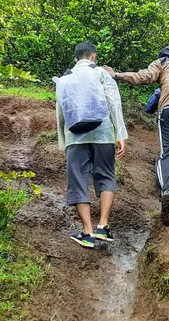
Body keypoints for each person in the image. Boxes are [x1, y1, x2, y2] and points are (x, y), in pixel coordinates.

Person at [104, 45, 169, 226]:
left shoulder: (161, 63)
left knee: (167, 153)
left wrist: (117, 75)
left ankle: (166, 191)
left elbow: (143, 77)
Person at [55, 42, 128, 248]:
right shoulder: (103, 74)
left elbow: (61, 111)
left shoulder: (65, 78)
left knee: (78, 180)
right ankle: (103, 227)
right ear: (94, 57)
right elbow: (114, 102)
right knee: (105, 175)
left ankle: (86, 232)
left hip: (75, 137)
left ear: (76, 59)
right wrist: (120, 134)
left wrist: (64, 140)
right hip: (103, 133)